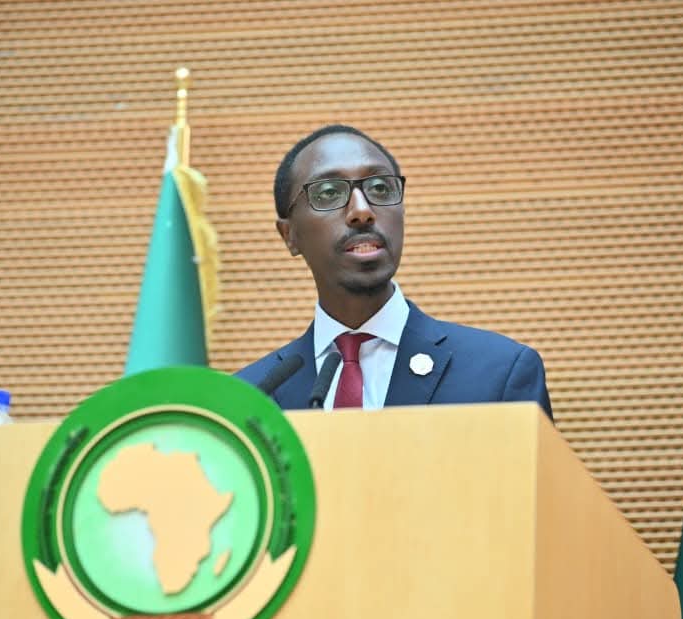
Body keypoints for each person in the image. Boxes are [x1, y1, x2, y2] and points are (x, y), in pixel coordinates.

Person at [236, 125, 552, 419]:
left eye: (379, 187)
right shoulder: (249, 398)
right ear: (289, 235)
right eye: (329, 192)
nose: (362, 211)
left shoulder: (498, 374)